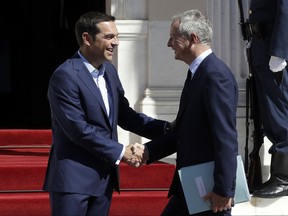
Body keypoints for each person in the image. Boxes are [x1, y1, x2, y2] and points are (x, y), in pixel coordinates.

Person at [43, 11, 170, 216]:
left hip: (104, 180)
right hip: (74, 182)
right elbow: (78, 129)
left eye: (117, 36)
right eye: (109, 37)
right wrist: (122, 152)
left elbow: (126, 115)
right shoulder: (65, 76)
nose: (116, 42)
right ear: (87, 38)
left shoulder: (109, 71)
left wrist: (166, 129)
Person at [133, 9, 239, 216]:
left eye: (173, 38)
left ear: (193, 38)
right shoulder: (198, 73)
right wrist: (148, 151)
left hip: (209, 192)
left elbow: (225, 137)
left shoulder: (215, 76)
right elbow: (184, 131)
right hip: (190, 187)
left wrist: (224, 189)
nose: (168, 44)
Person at [248, 0, 288, 198]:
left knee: (279, 110)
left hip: (273, 46)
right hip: (262, 43)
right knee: (270, 112)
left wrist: (280, 51)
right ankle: (278, 174)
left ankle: (284, 176)